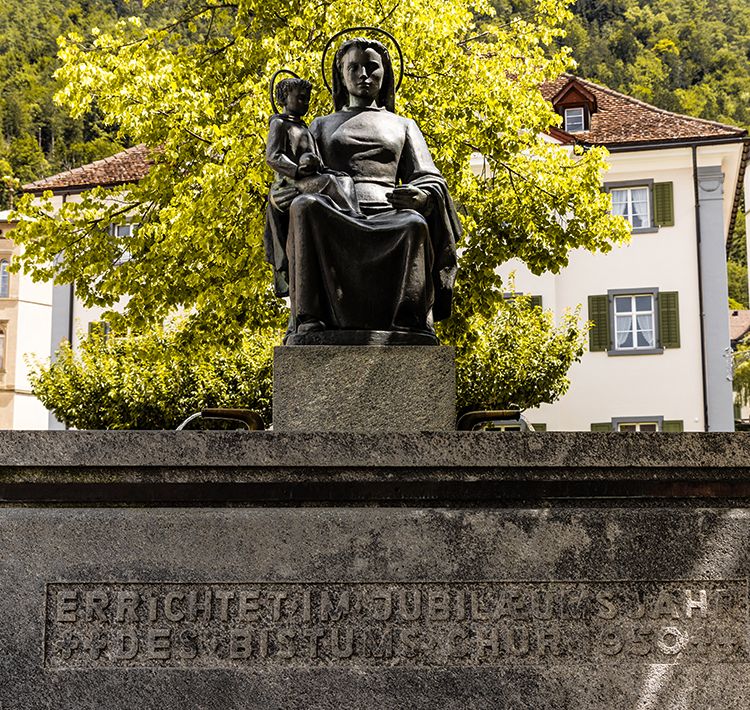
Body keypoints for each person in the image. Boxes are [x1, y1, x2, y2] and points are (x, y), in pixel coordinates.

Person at [265, 37, 460, 342]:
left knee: (414, 224)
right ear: (341, 75)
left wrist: (422, 196)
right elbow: (293, 170)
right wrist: (279, 198)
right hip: (335, 210)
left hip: (389, 212)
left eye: (372, 67)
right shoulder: (319, 125)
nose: (363, 74)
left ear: (385, 74)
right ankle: (309, 318)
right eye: (353, 67)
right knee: (304, 207)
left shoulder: (403, 125)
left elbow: (430, 178)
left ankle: (408, 321)